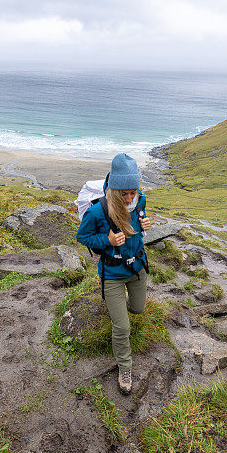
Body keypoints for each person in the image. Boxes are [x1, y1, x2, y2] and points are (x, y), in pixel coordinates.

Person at [76, 153, 152, 395]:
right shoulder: (98, 212)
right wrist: (106, 240)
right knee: (122, 327)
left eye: (133, 192)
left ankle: (117, 307)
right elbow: (82, 236)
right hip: (112, 273)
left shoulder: (140, 201)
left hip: (137, 268)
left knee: (138, 309)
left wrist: (144, 225)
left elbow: (136, 228)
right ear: (114, 190)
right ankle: (125, 368)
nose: (129, 198)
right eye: (124, 193)